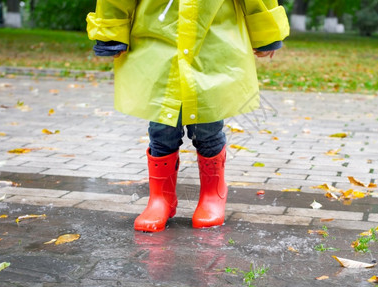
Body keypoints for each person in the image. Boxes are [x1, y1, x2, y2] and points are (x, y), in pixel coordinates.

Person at [87, 0, 289, 232]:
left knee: (208, 126)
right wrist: (111, 32)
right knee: (162, 126)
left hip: (213, 41)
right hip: (159, 40)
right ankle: (160, 199)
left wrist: (266, 33)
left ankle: (213, 195)